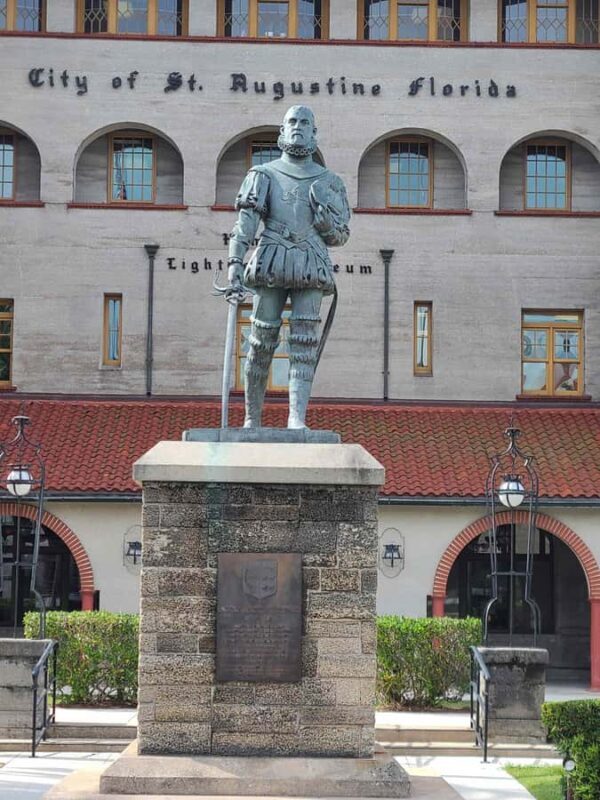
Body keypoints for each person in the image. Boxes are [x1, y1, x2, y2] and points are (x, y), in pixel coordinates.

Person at [227, 105, 351, 429]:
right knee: (260, 338)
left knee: (304, 343)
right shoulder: (263, 175)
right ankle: (252, 417)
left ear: (314, 133)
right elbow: (245, 225)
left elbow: (341, 235)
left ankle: (296, 418)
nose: (298, 127)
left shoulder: (330, 182)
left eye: (304, 122)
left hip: (310, 260)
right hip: (271, 258)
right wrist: (235, 264)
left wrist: (326, 227)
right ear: (282, 132)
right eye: (291, 122)